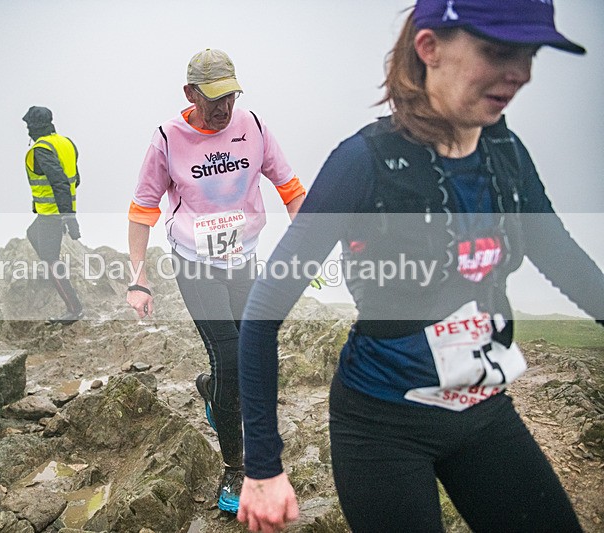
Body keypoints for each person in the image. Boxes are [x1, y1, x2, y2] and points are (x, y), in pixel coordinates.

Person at [236, 1, 604, 531]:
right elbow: (263, 312)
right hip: (382, 427)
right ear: (428, 47)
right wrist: (264, 470)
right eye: (498, 50)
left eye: (530, 54)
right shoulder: (362, 161)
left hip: (483, 408)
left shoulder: (507, 152)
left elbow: (563, 258)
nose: (521, 74)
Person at [127, 49, 306, 514]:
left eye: (231, 95)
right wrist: (138, 278)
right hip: (195, 262)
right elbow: (142, 210)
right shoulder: (168, 138)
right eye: (213, 99)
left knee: (250, 356)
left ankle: (211, 389)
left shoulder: (254, 126)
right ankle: (234, 466)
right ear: (190, 94)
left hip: (242, 259)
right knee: (229, 355)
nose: (224, 108)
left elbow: (290, 189)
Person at [22, 106, 85, 325]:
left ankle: (73, 309)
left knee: (50, 260)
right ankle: (56, 269)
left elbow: (59, 181)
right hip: (52, 212)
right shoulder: (66, 142)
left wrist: (68, 217)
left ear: (32, 127)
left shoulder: (41, 149)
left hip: (52, 214)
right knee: (32, 234)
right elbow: (75, 178)